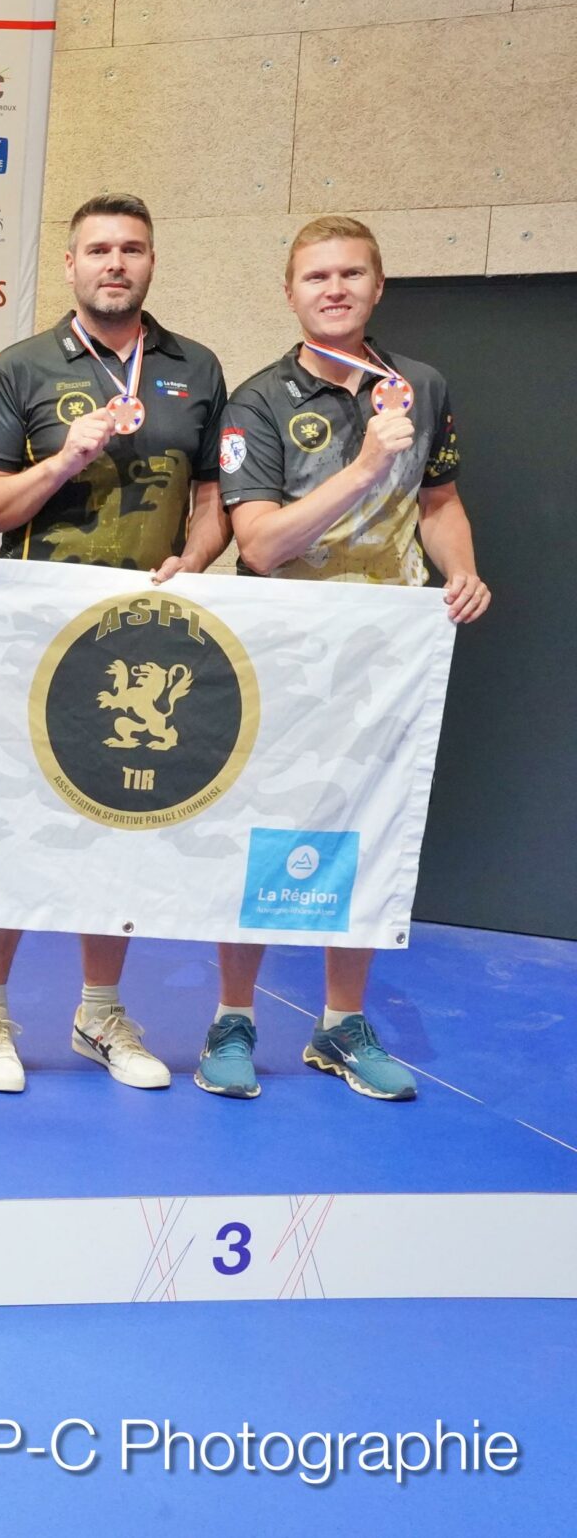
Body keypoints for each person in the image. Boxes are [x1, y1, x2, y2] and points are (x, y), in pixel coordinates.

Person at [209, 214, 490, 1102]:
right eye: (316, 276)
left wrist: (463, 569)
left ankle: (340, 1024)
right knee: (260, 831)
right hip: (284, 650)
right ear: (290, 293)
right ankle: (233, 1018)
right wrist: (366, 465)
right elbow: (260, 545)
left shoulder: (421, 386)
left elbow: (439, 501)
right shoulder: (257, 401)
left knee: (367, 832)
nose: (334, 289)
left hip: (387, 652)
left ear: (378, 286)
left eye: (351, 274)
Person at [0, 194, 231, 1093]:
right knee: (12, 820)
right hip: (37, 634)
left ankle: (99, 1012)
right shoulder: (23, 367)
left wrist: (196, 557)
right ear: (71, 264)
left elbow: (211, 497)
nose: (116, 263)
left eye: (133, 249)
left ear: (151, 262)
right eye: (99, 249)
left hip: (146, 638)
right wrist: (65, 458)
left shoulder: (196, 366)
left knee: (122, 821)